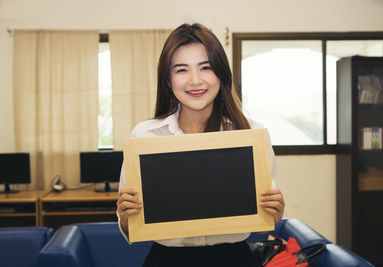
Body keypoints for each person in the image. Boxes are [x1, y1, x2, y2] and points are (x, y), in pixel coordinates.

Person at [117, 23, 285, 267]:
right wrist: (126, 218)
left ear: (221, 73)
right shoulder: (145, 136)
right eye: (182, 70)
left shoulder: (251, 134)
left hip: (233, 259)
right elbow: (130, 226)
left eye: (206, 67)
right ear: (167, 80)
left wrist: (273, 211)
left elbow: (261, 214)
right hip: (167, 260)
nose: (195, 81)